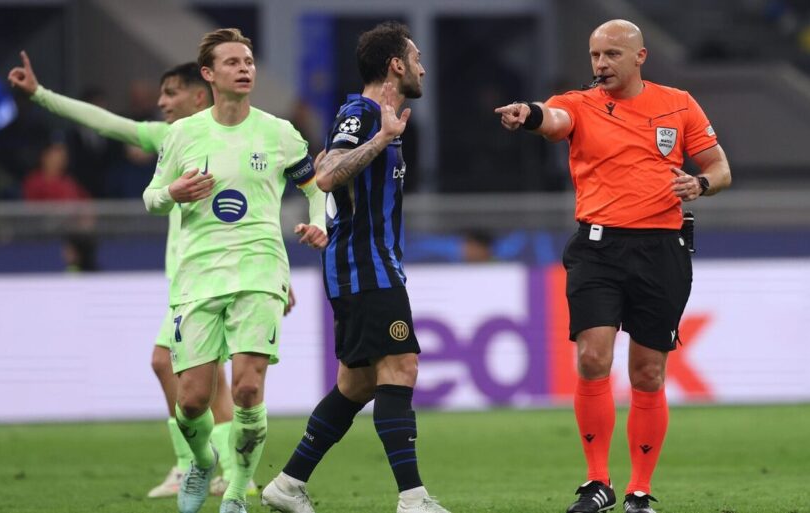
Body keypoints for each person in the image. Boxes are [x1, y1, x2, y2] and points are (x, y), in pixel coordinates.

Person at [495, 19, 731, 513]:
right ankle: (596, 482)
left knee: (647, 372)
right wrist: (528, 113)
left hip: (661, 250)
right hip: (597, 249)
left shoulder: (678, 104)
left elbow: (719, 167)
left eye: (611, 55)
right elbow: (552, 119)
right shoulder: (579, 104)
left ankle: (638, 491)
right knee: (592, 358)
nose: (600, 64)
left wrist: (700, 185)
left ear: (640, 57)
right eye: (594, 54)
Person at [8, 53, 270, 498]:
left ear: (199, 95)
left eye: (170, 93)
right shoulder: (174, 138)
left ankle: (196, 466)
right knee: (207, 379)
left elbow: (259, 212)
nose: (162, 102)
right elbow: (108, 123)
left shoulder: (244, 138)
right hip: (192, 282)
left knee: (169, 363)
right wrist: (41, 95)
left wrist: (274, 273)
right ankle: (222, 470)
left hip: (221, 279)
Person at [261, 21, 452, 513]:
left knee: (358, 384)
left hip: (363, 265)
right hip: (366, 268)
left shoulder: (377, 117)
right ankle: (413, 499)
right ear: (396, 65)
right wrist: (382, 138)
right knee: (401, 366)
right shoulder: (363, 114)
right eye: (416, 59)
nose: (422, 68)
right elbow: (326, 174)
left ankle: (288, 484)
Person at [143, 28, 327, 513]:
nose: (244, 68)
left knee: (247, 387)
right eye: (232, 62)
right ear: (208, 74)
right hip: (199, 277)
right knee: (191, 401)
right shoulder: (183, 135)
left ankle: (238, 492)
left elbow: (314, 187)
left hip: (261, 270)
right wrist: (172, 194)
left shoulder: (278, 132)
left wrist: (318, 224)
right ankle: (203, 461)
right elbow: (151, 197)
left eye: (248, 61)